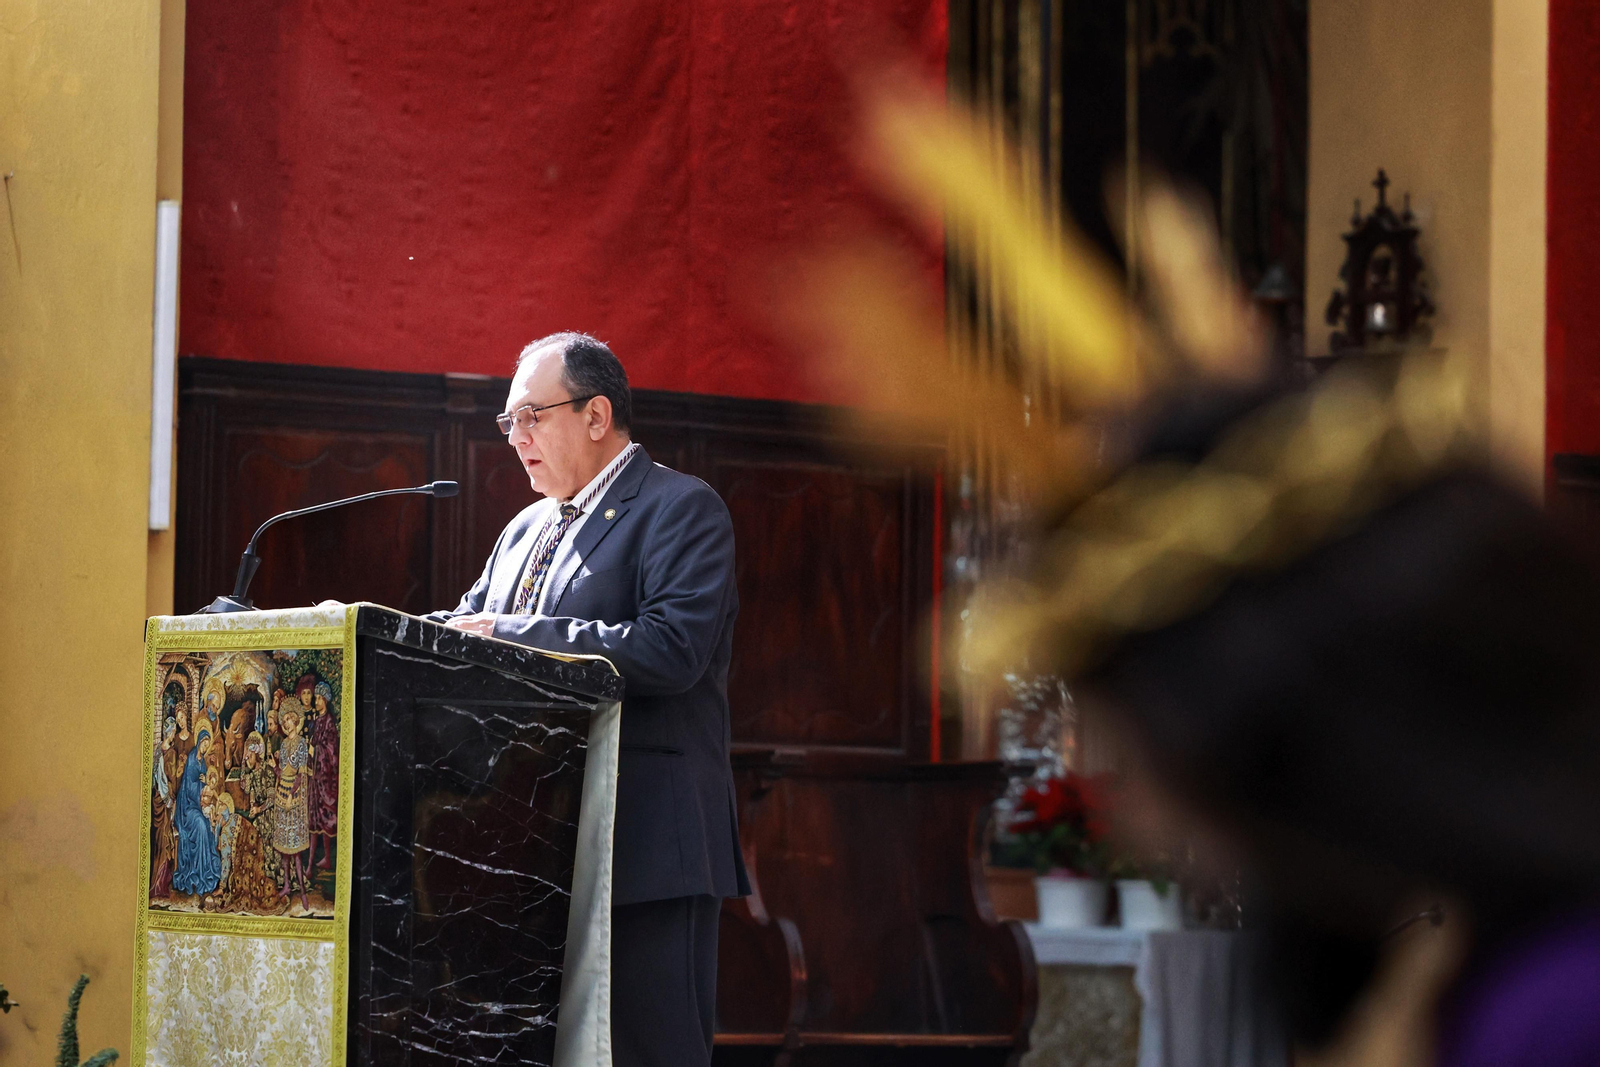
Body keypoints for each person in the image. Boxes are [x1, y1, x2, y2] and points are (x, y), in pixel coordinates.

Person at [430, 331, 748, 1067]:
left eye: (533, 416)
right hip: (525, 851)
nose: (518, 438)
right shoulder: (522, 530)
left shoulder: (681, 508)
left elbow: (671, 649)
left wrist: (513, 631)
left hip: (643, 847)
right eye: (510, 423)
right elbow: (464, 631)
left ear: (597, 414)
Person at [171, 722, 221, 899]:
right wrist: (202, 784)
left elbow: (207, 781)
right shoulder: (193, 758)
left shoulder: (203, 762)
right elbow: (190, 788)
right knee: (200, 824)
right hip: (187, 808)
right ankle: (196, 874)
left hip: (198, 805)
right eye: (204, 743)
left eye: (208, 744)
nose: (205, 746)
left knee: (206, 824)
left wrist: (205, 783)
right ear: (199, 742)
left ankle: (204, 872)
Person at [272, 699, 314, 912]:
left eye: (290, 719)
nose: (287, 723)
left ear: (297, 720)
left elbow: (299, 774)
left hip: (293, 798)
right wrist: (274, 769)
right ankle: (287, 885)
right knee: (284, 850)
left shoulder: (300, 743)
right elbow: (282, 772)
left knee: (295, 851)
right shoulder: (283, 743)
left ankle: (303, 892)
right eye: (285, 720)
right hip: (281, 795)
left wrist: (291, 795)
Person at [308, 681, 339, 869]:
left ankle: (327, 858)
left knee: (326, 819)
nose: (316, 701)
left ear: (326, 700)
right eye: (316, 697)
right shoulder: (317, 720)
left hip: (326, 779)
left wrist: (315, 750)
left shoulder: (329, 722)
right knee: (314, 820)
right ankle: (310, 864)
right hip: (315, 778)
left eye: (319, 698)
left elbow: (331, 750)